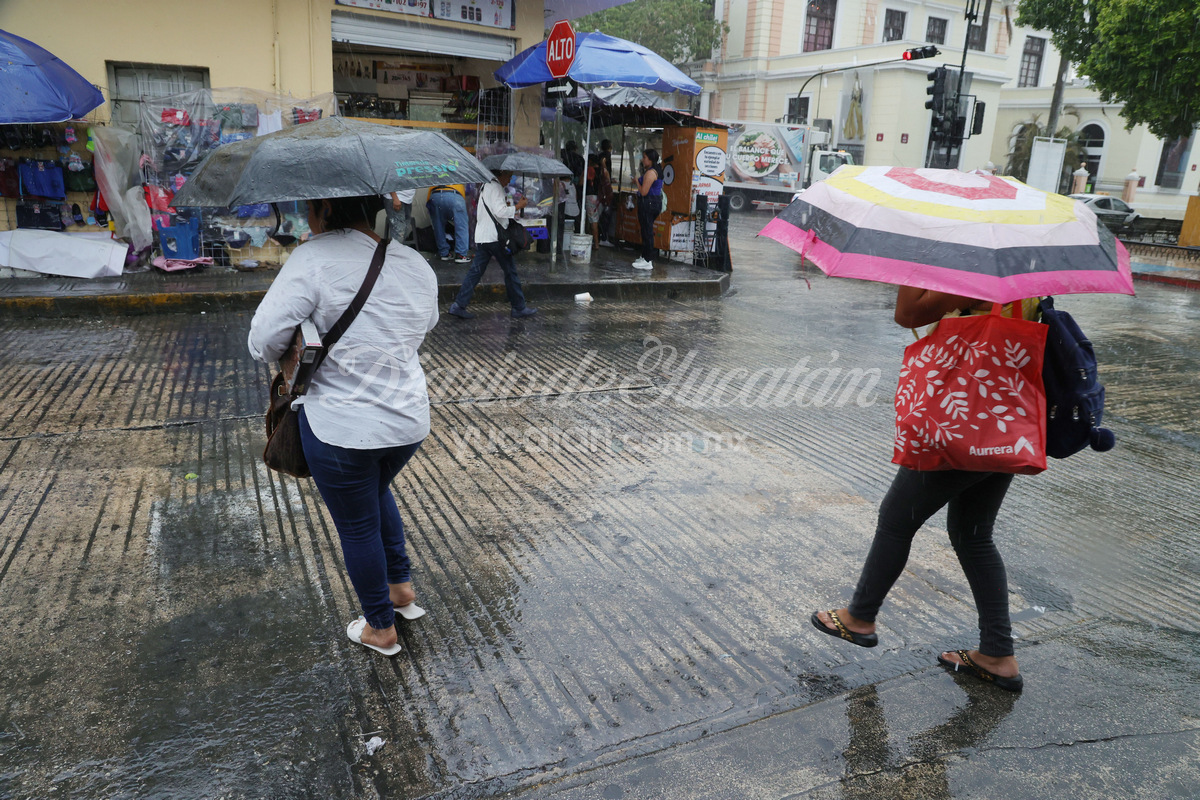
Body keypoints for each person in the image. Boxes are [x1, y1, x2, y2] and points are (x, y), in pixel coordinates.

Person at [811, 287, 1041, 693]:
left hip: (963, 415)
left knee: (897, 519)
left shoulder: (967, 257)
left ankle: (859, 617)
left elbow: (908, 313)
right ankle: (998, 654)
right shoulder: (1025, 257)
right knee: (973, 535)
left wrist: (912, 269)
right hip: (1004, 412)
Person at [248, 194, 439, 657]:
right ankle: (400, 591)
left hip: (341, 430)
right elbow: (425, 323)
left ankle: (380, 628)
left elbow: (263, 341)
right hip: (407, 424)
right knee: (374, 492)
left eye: (310, 207)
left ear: (326, 210)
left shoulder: (312, 259)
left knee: (356, 525)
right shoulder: (413, 261)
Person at [447, 170, 538, 320]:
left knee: (475, 273)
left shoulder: (485, 186)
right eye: (508, 176)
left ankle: (458, 305)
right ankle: (518, 307)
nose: (509, 180)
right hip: (495, 238)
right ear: (501, 174)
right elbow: (500, 211)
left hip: (484, 237)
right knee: (510, 272)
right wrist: (518, 206)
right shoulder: (495, 187)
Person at [633, 149, 663, 270]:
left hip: (649, 202)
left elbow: (644, 191)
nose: (642, 159)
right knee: (646, 230)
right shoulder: (654, 171)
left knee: (647, 230)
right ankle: (645, 255)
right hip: (652, 202)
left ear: (650, 159)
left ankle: (648, 259)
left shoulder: (651, 173)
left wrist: (636, 182)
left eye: (644, 157)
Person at [427, 183, 471, 263]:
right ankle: (460, 255)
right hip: (454, 195)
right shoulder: (457, 171)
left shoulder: (435, 170)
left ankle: (444, 254)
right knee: (461, 226)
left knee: (438, 226)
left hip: (435, 195)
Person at [584, 155, 611, 247]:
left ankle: (596, 243)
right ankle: (595, 240)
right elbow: (608, 181)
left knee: (593, 220)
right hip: (601, 198)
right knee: (596, 219)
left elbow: (581, 182)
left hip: (591, 196)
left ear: (590, 161)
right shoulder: (604, 171)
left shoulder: (588, 169)